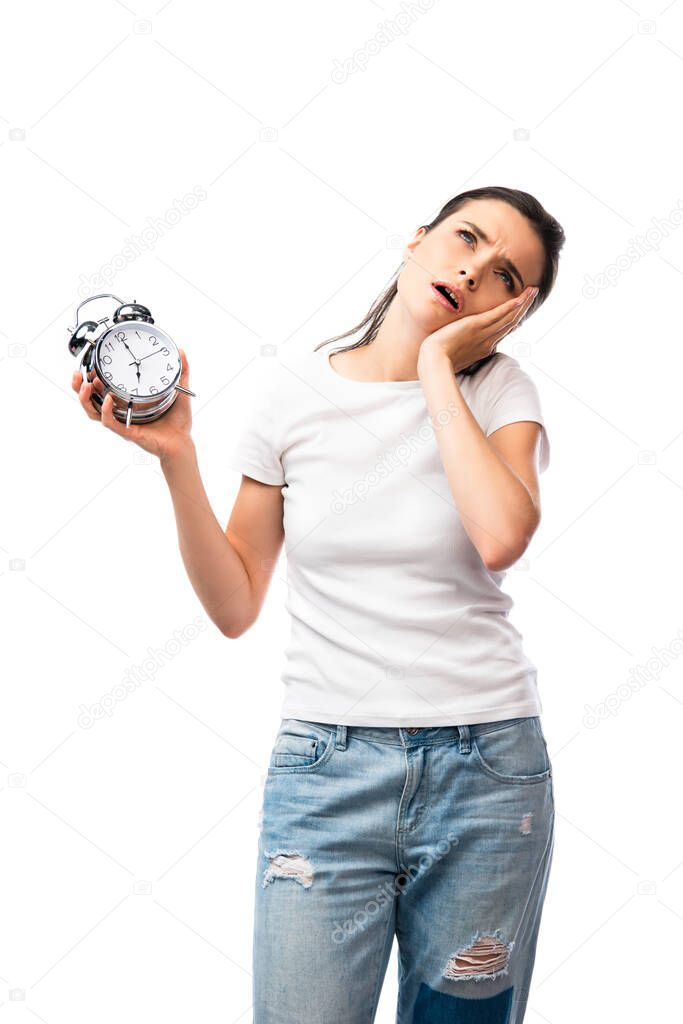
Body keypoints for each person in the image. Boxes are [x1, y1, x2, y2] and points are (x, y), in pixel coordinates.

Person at [72, 184, 565, 1023]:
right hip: (325, 770)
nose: (470, 268)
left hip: (486, 773)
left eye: (501, 273)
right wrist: (176, 457)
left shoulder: (498, 393)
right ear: (419, 238)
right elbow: (234, 606)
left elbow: (500, 537)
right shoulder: (292, 396)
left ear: (509, 312)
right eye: (465, 238)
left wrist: (436, 367)